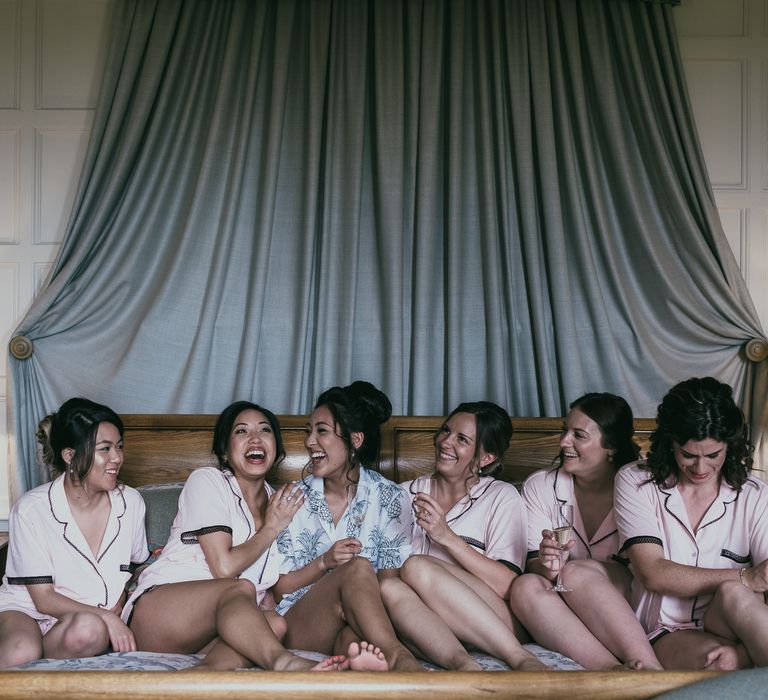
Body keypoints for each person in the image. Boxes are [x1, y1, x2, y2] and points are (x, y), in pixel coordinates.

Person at [124, 400, 346, 672]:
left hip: (215, 627)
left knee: (274, 624)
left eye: (265, 431)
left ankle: (203, 676)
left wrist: (322, 563)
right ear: (225, 451)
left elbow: (274, 586)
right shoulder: (208, 481)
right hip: (160, 614)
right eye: (241, 431)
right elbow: (224, 567)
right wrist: (271, 528)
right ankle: (283, 661)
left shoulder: (281, 502)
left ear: (276, 449)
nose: (255, 438)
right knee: (240, 589)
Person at [379, 401, 547, 671]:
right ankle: (464, 667)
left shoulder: (501, 497)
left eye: (462, 439)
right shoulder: (401, 494)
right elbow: (383, 572)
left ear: (485, 458)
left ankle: (520, 657)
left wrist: (447, 537)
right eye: (445, 431)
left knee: (417, 566)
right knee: (388, 588)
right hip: (422, 620)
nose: (445, 442)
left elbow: (507, 586)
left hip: (490, 618)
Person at [615, 376, 768, 670]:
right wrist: (745, 577)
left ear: (730, 446)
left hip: (734, 618)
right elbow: (654, 573)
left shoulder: (755, 494)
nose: (700, 468)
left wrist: (748, 582)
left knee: (736, 594)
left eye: (713, 455)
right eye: (688, 455)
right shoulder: (635, 481)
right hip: (669, 628)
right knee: (726, 662)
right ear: (670, 444)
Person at [272, 381, 424, 672]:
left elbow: (390, 584)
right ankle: (399, 657)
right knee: (357, 567)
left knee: (355, 642)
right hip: (302, 624)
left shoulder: (391, 498)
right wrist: (325, 563)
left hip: (362, 620)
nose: (309, 441)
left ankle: (354, 661)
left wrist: (354, 599)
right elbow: (279, 590)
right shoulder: (291, 499)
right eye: (309, 431)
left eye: (322, 431)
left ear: (355, 440)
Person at [508, 393, 663, 670]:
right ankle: (611, 671)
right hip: (565, 601)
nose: (563, 441)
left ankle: (648, 666)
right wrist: (546, 564)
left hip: (627, 602)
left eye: (578, 435)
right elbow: (536, 568)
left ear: (611, 446)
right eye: (564, 430)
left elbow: (649, 569)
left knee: (576, 571)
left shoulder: (641, 487)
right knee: (524, 586)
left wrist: (569, 571)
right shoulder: (541, 486)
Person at [0, 398, 148, 668]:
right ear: (70, 455)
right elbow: (42, 598)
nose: (117, 458)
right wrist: (108, 617)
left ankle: (46, 659)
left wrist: (120, 601)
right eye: (105, 449)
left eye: (119, 447)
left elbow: (134, 567)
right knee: (21, 652)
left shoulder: (132, 503)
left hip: (86, 621)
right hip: (28, 610)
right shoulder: (31, 509)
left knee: (90, 630)